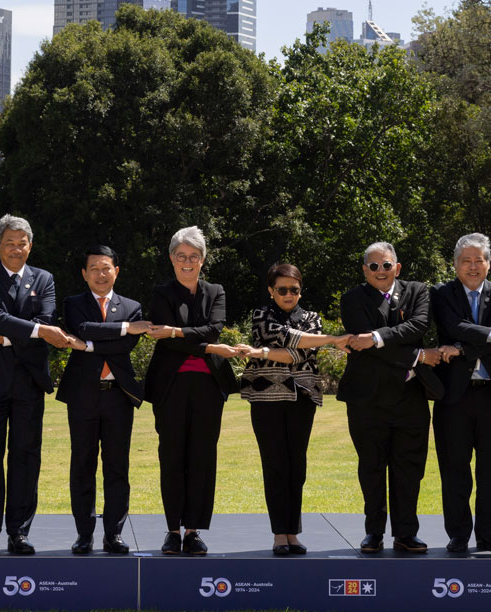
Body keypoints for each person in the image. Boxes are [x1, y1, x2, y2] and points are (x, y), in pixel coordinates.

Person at [0, 214, 71, 556]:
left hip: (29, 382)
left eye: (22, 243)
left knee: (26, 457)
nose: (16, 249)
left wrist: (1, 338)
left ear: (30, 246)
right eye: (9, 243)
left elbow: (46, 320)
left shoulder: (44, 279)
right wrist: (36, 333)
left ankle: (19, 532)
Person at [336, 243, 445, 554]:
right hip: (366, 400)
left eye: (386, 265)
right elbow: (362, 345)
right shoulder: (352, 299)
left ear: (397, 268)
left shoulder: (417, 291)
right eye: (373, 267)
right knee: (371, 467)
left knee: (409, 468)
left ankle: (406, 532)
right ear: (364, 271)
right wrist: (420, 355)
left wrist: (377, 337)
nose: (380, 271)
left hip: (410, 398)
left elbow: (419, 325)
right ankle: (373, 533)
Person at [236, 263, 346, 555]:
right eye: (282, 289)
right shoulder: (261, 315)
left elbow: (300, 351)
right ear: (271, 291)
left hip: (303, 399)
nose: (288, 294)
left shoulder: (312, 317)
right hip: (265, 400)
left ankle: (293, 534)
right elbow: (291, 341)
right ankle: (278, 535)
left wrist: (263, 352)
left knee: (297, 468)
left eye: (294, 289)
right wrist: (332, 339)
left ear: (301, 291)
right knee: (275, 466)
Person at [143, 226, 240, 555]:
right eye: (181, 256)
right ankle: (173, 530)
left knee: (202, 457)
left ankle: (194, 531)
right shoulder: (161, 293)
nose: (188, 262)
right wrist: (205, 345)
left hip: (209, 388)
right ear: (172, 258)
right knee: (171, 457)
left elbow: (214, 329)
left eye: (194, 257)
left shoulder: (215, 291)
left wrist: (174, 332)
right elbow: (191, 342)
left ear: (203, 259)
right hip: (170, 386)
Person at [431, 232, 491, 554]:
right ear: (455, 265)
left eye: (478, 260)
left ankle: (489, 534)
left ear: (488, 263)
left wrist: (458, 349)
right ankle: (458, 535)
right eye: (465, 260)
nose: (472, 266)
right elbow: (453, 325)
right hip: (453, 395)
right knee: (454, 467)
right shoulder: (440, 294)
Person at [55, 245, 147, 555]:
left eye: (105, 267)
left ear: (116, 271)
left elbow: (125, 347)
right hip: (83, 396)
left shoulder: (133, 306)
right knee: (82, 464)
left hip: (118, 397)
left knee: (117, 467)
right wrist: (120, 330)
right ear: (84, 273)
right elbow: (81, 328)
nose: (100, 273)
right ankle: (84, 534)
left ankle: (114, 535)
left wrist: (88, 345)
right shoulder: (73, 303)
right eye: (93, 268)